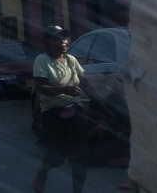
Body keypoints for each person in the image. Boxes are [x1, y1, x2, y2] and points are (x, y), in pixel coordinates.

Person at [31, 26, 106, 193]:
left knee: (80, 156)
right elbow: (40, 88)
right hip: (51, 113)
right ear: (48, 42)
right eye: (57, 39)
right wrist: (63, 90)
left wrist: (104, 107)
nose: (63, 42)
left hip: (75, 111)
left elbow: (85, 84)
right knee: (56, 157)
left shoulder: (71, 60)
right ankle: (42, 172)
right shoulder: (42, 61)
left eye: (65, 38)